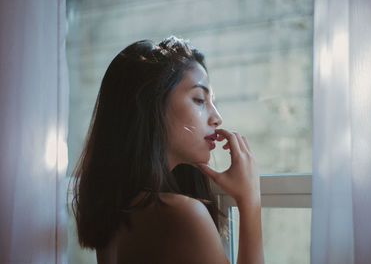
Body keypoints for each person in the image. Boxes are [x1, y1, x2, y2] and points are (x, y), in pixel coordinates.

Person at [70, 36, 264, 264]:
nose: (217, 118)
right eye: (199, 100)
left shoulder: (115, 209)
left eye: (212, 101)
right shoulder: (184, 214)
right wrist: (251, 200)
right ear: (152, 107)